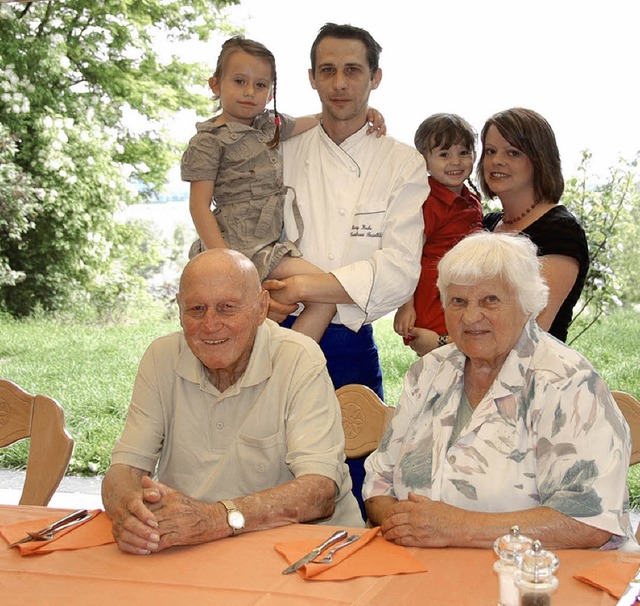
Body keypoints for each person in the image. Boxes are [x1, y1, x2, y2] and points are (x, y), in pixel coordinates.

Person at [363, 231, 635, 550]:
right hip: (425, 570)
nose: (470, 316)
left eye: (490, 300)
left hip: (537, 579)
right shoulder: (428, 371)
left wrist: (458, 529)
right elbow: (379, 485)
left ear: (526, 302)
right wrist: (412, 526)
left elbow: (589, 521)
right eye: (458, 301)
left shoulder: (566, 380)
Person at [264, 23, 429, 515]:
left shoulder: (401, 162)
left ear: (375, 78)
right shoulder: (278, 153)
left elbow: (400, 271)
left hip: (347, 342)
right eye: (328, 71)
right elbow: (242, 230)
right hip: (273, 328)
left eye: (352, 70)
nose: (340, 83)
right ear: (311, 78)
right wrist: (270, 291)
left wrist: (302, 285)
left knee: (360, 483)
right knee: (271, 473)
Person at [102, 248, 363, 555]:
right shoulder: (161, 357)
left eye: (227, 308)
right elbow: (124, 470)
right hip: (196, 549)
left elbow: (320, 492)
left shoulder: (299, 358)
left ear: (261, 307)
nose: (210, 324)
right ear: (179, 310)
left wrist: (217, 518)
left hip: (311, 551)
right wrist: (130, 514)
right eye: (197, 309)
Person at [180, 36, 384, 343]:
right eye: (239, 81)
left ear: (271, 91)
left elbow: (320, 119)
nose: (250, 92)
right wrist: (229, 265)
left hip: (271, 245)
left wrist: (367, 113)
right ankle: (282, 370)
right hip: (236, 246)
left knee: (322, 294)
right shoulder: (209, 141)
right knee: (312, 294)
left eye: (261, 85)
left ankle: (289, 367)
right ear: (215, 84)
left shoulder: (271, 125)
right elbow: (199, 207)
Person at [479, 107, 589, 342]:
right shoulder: (484, 225)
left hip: (532, 374)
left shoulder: (560, 232)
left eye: (513, 153)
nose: (497, 161)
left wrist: (442, 342)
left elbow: (528, 329)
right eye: (490, 151)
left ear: (539, 159)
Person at [394, 113, 483, 356]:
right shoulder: (426, 200)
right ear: (424, 161)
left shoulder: (470, 197)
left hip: (462, 289)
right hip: (432, 291)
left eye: (464, 152)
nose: (455, 161)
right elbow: (407, 253)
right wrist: (405, 305)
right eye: (444, 154)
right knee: (438, 361)